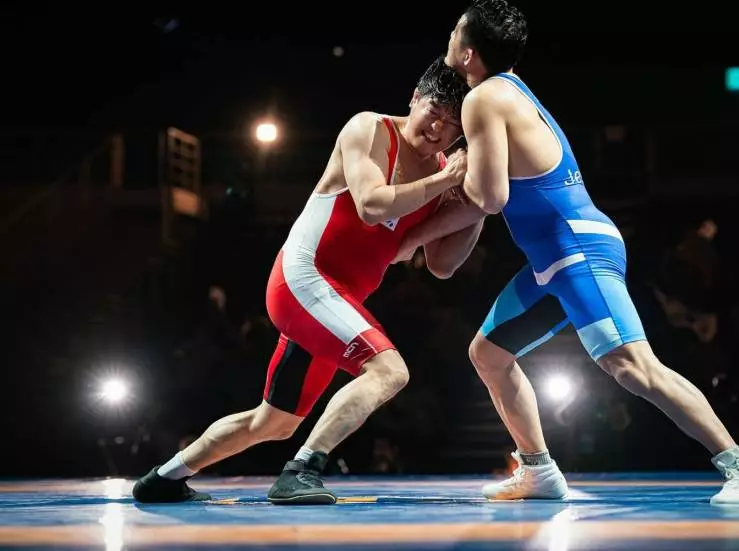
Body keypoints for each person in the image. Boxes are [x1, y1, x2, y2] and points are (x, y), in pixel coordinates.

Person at [401, 0, 739, 505]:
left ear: (468, 53)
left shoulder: (484, 97)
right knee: (489, 354)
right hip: (553, 259)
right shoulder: (509, 89)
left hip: (577, 247)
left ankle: (735, 462)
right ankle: (538, 469)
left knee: (633, 366)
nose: (448, 36)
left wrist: (433, 199)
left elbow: (489, 197)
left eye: (455, 31)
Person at [132, 57, 485, 504]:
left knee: (274, 422)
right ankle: (300, 470)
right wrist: (445, 180)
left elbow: (441, 264)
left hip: (334, 301)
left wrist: (479, 202)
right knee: (389, 370)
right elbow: (372, 206)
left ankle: (163, 478)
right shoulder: (370, 129)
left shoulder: (441, 172)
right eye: (434, 112)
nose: (438, 130)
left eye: (452, 126)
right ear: (415, 98)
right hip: (303, 279)